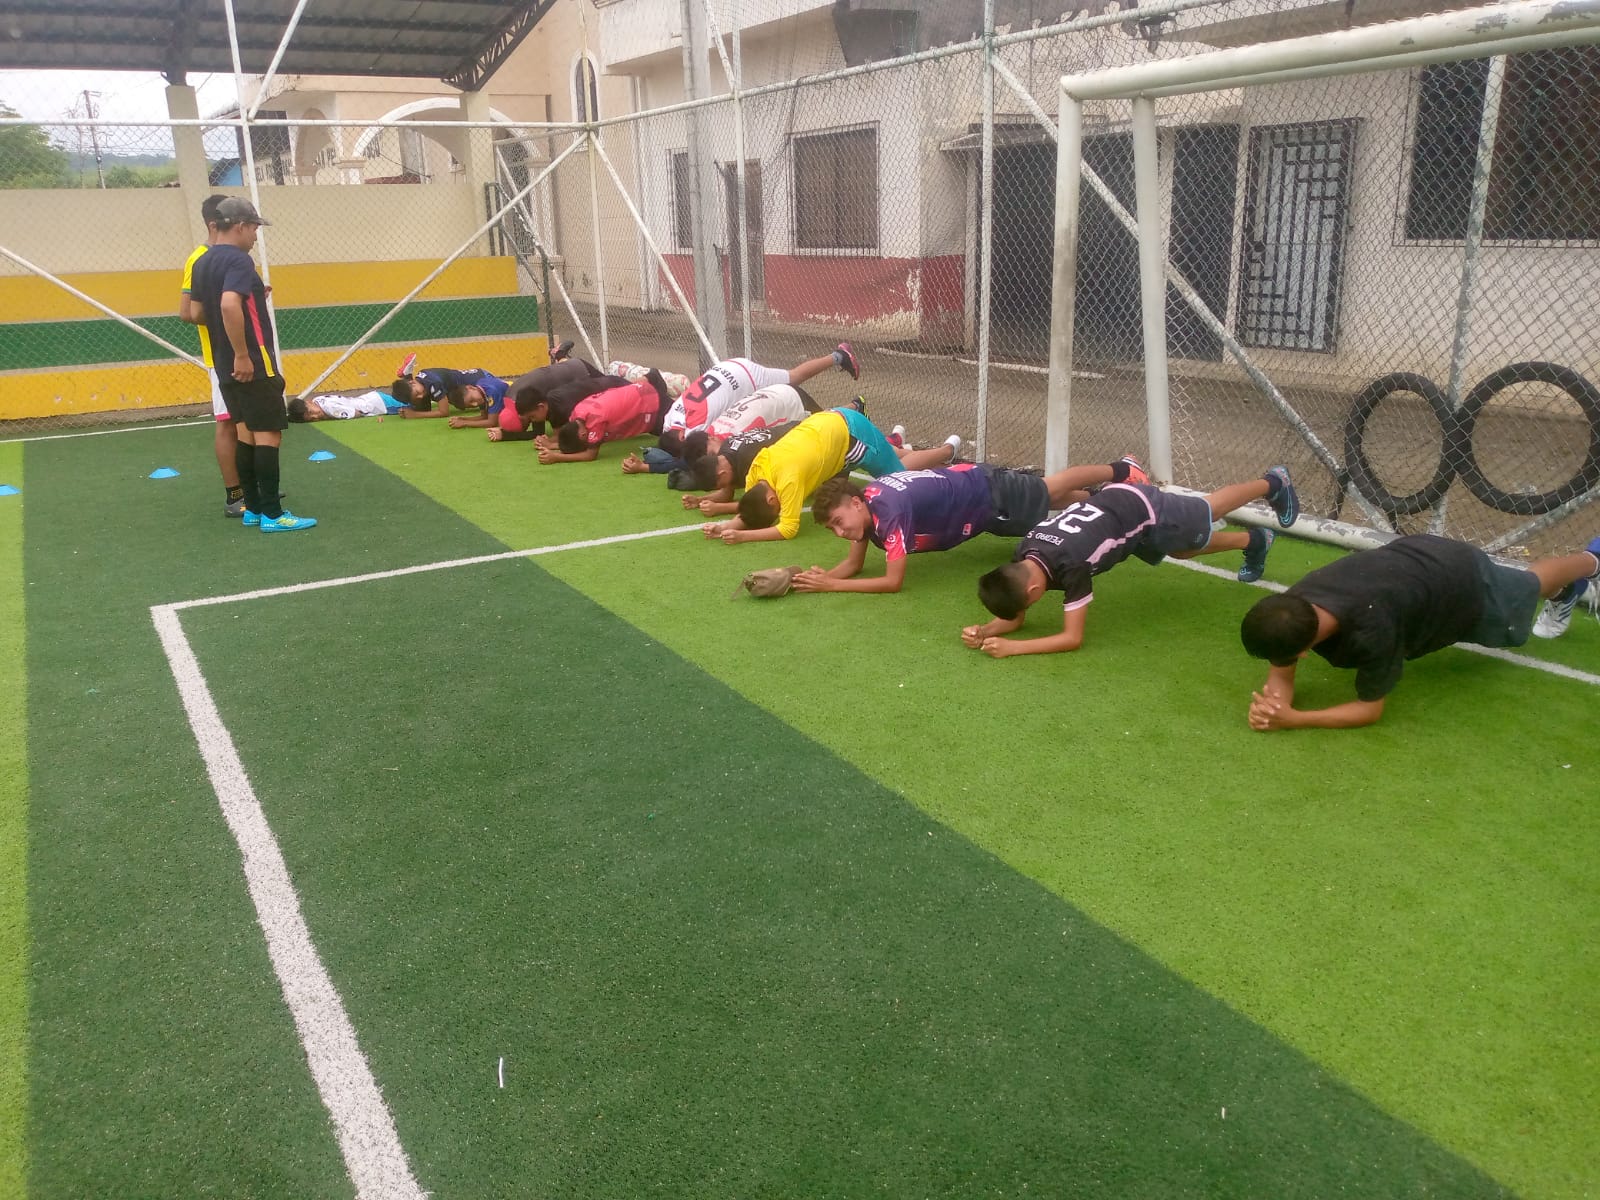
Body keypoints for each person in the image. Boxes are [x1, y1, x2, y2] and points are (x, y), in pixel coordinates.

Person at [1240, 533, 1600, 731]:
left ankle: (1592, 560)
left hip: (1458, 577)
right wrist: (1275, 705)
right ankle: (1567, 592)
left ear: (1303, 650)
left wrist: (1297, 720)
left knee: (1528, 585)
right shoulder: (1292, 607)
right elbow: (1281, 672)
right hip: (1411, 556)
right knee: (1529, 588)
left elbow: (1368, 710)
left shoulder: (1371, 632)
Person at [961, 467, 1297, 657]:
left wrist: (1013, 649)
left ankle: (1273, 482)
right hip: (1120, 516)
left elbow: (1072, 638)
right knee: (1180, 548)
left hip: (1142, 510)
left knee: (1208, 510)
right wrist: (985, 630)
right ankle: (1255, 540)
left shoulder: (1072, 566)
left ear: (1033, 591)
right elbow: (1015, 618)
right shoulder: (1024, 553)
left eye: (1027, 604)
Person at [794, 457, 1151, 594]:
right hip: (979, 509)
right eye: (832, 529)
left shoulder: (891, 513)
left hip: (985, 491)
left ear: (856, 503)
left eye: (839, 522)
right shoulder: (865, 510)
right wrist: (822, 578)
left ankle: (1122, 469)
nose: (840, 532)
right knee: (1045, 502)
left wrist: (831, 586)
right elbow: (854, 563)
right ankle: (1100, 496)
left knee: (1049, 488)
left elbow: (893, 581)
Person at [190, 197, 316, 532]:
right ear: (240, 226)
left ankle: (254, 509)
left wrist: (253, 299)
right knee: (268, 434)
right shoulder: (239, 260)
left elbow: (196, 312)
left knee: (245, 432)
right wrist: (243, 353)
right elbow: (229, 304)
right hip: (253, 361)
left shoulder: (202, 262)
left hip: (222, 362)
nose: (256, 236)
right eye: (254, 229)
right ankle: (273, 515)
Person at [700, 407, 963, 544]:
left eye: (777, 508)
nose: (783, 507)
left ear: (772, 499)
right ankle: (895, 443)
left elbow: (788, 530)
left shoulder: (788, 480)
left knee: (898, 478)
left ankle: (947, 451)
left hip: (849, 432)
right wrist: (726, 526)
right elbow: (749, 505)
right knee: (886, 454)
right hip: (824, 426)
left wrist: (743, 536)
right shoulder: (756, 471)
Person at [178, 193, 244, 516]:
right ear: (214, 223)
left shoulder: (233, 256)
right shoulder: (199, 259)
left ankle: (254, 486)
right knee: (227, 423)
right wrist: (226, 314)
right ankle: (234, 496)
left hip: (241, 353)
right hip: (219, 356)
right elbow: (188, 312)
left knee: (245, 420)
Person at [664, 345, 862, 438]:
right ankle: (839, 359)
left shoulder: (695, 430)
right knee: (791, 379)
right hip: (729, 368)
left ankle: (839, 357)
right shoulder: (669, 419)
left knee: (793, 378)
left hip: (745, 377)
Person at [535, 370, 675, 463]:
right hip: (641, 396)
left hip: (652, 405)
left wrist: (557, 457)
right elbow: (580, 443)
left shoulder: (595, 421)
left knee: (674, 440)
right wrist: (552, 445)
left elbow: (590, 454)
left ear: (583, 435)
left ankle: (654, 377)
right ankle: (653, 378)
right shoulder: (576, 414)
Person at [390, 362, 502, 418]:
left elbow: (444, 412)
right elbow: (425, 407)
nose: (421, 396)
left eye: (417, 393)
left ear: (413, 382)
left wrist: (414, 414)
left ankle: (407, 376)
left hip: (482, 378)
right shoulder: (421, 382)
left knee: (493, 406)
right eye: (416, 396)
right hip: (466, 382)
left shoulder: (434, 383)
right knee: (422, 405)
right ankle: (407, 375)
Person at [287, 391, 409, 421]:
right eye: (311, 419)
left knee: (411, 405)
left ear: (308, 402)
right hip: (373, 398)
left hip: (380, 405)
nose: (315, 416)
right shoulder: (317, 400)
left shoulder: (331, 409)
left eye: (310, 412)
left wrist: (330, 417)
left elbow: (356, 413)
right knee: (408, 399)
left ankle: (407, 376)